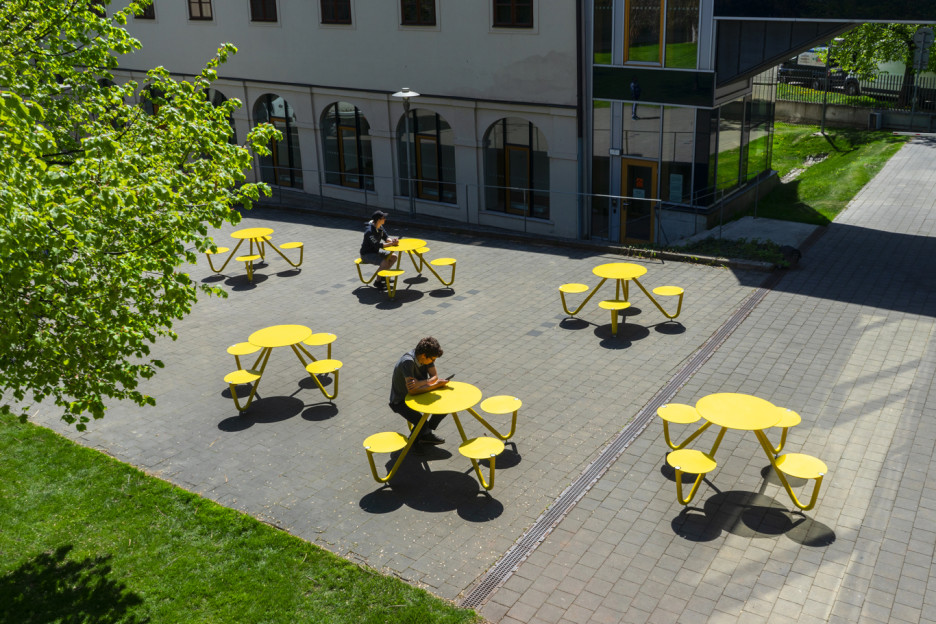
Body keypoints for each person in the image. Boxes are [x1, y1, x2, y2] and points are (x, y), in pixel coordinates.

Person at [389, 337, 449, 445]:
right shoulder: (408, 362)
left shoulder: (425, 356)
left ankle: (426, 433)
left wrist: (420, 383)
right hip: (401, 401)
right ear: (424, 356)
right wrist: (434, 385)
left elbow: (435, 377)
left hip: (419, 393)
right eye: (433, 359)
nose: (433, 362)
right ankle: (413, 445)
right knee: (421, 423)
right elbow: (412, 391)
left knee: (444, 408)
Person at [360, 210, 398, 290]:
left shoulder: (379, 227)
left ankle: (383, 276)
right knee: (385, 261)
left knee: (393, 257)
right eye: (383, 218)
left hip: (375, 251)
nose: (385, 219)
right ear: (378, 220)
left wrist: (392, 241)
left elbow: (386, 237)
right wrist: (392, 244)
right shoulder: (369, 232)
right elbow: (378, 245)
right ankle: (377, 282)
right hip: (367, 254)